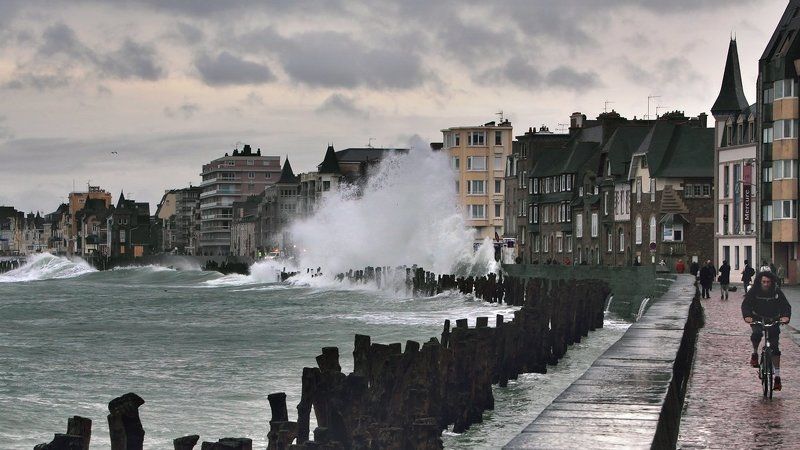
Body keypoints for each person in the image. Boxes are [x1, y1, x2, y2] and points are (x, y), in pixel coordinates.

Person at [742, 270, 791, 391]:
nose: (766, 284)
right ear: (760, 281)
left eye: (768, 282)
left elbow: (786, 306)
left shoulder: (776, 291)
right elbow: (746, 305)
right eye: (763, 281)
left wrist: (785, 317)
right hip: (757, 318)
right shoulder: (754, 291)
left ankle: (777, 377)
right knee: (756, 334)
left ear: (772, 282)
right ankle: (754, 353)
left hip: (773, 319)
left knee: (775, 348)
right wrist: (747, 316)